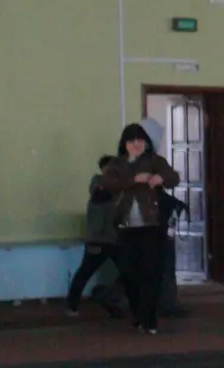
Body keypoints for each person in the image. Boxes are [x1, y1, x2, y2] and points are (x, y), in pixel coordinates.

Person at [98, 122, 180, 335]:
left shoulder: (154, 161)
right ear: (124, 144)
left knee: (151, 273)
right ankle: (138, 313)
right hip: (126, 228)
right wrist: (134, 179)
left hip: (152, 226)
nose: (137, 144)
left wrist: (161, 178)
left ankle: (150, 319)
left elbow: (173, 177)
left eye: (140, 140)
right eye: (132, 141)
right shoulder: (117, 164)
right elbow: (109, 184)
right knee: (129, 274)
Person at [66, 156, 126, 319]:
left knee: (129, 272)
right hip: (98, 240)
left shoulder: (118, 189)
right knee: (85, 272)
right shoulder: (98, 185)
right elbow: (101, 193)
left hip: (113, 239)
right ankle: (72, 304)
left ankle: (111, 299)